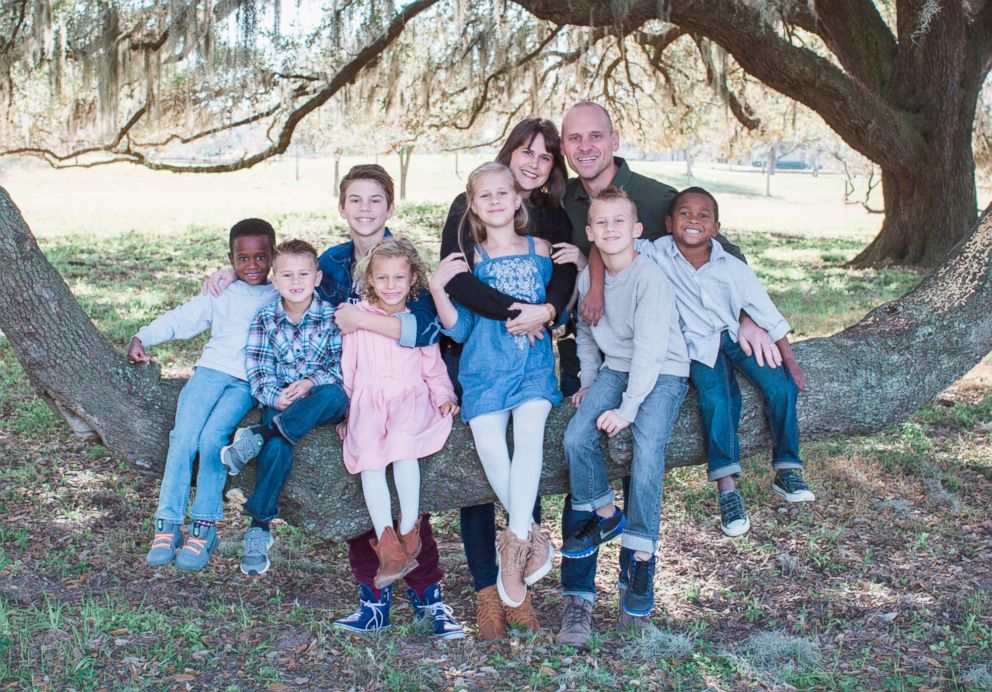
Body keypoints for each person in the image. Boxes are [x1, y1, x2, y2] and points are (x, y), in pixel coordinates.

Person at [555, 100, 779, 647]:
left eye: (595, 137)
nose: (584, 147)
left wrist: (748, 314)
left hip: (660, 357)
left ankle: (639, 578)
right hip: (604, 354)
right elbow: (588, 270)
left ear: (613, 139)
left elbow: (721, 249)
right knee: (577, 457)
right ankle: (579, 600)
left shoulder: (655, 199)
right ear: (565, 146)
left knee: (645, 454)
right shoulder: (562, 198)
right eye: (573, 139)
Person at [206, 165, 462, 638]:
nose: (365, 209)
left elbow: (425, 328)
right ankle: (373, 598)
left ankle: (429, 597)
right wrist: (237, 275)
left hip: (403, 389)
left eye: (375, 200)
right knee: (358, 489)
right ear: (342, 207)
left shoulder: (401, 259)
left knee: (409, 488)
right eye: (355, 200)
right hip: (346, 388)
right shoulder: (332, 261)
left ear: (390, 206)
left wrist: (366, 324)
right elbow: (290, 287)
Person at [438, 118, 581, 639]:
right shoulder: (469, 206)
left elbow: (564, 277)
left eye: (545, 157)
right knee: (478, 474)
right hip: (475, 350)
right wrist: (521, 310)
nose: (534, 163)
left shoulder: (550, 219)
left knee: (528, 444)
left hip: (532, 356)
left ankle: (515, 573)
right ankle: (490, 591)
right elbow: (457, 281)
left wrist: (547, 309)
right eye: (526, 151)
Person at [637, 187, 813, 536]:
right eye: (685, 214)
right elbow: (613, 246)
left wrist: (790, 364)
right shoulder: (656, 254)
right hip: (696, 348)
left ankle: (787, 468)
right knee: (718, 400)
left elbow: (768, 314)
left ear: (715, 228)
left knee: (780, 387)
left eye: (703, 216)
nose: (694, 220)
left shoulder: (732, 267)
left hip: (735, 336)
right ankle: (728, 492)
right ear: (670, 222)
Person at [559, 187, 689, 636]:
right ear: (591, 233)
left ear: (636, 230)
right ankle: (606, 513)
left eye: (620, 222)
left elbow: (653, 351)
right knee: (576, 437)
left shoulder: (649, 278)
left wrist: (629, 410)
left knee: (648, 450)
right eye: (602, 223)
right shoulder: (587, 282)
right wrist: (591, 381)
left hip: (663, 371)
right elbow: (588, 334)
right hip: (615, 369)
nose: (611, 229)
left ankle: (641, 558)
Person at [335, 237, 464, 639]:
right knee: (370, 462)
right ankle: (389, 545)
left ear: (412, 281)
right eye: (383, 278)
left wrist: (444, 397)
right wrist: (347, 413)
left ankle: (408, 530)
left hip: (410, 400)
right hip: (371, 403)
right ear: (370, 280)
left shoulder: (415, 324)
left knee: (406, 450)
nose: (391, 285)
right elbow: (349, 372)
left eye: (399, 278)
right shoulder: (357, 319)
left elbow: (434, 369)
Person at [136, 218, 278, 572]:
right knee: (182, 438)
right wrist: (143, 336)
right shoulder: (221, 292)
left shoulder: (282, 293)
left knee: (213, 439)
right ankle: (167, 524)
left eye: (261, 257)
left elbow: (307, 276)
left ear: (273, 255)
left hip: (245, 383)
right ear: (230, 258)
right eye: (242, 259)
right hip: (209, 374)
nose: (252, 266)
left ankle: (204, 526)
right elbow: (183, 318)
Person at [219, 239, 350, 578]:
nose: (296, 282)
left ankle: (259, 435)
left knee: (336, 396)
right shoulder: (266, 318)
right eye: (287, 275)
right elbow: (258, 368)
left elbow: (339, 366)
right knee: (277, 448)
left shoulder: (330, 316)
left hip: (320, 400)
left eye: (304, 274)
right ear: (275, 280)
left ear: (318, 277)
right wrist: (275, 397)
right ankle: (259, 529)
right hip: (280, 404)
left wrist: (309, 384)